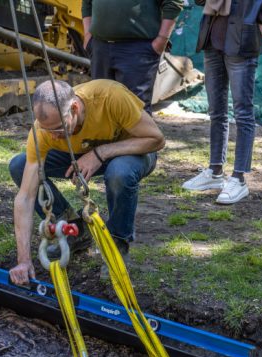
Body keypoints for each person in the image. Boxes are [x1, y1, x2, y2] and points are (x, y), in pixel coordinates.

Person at [9, 79, 165, 285]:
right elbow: (26, 198)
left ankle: (117, 244)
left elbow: (156, 139)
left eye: (59, 129)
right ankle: (75, 229)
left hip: (133, 151)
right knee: (19, 165)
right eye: (48, 131)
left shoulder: (110, 97)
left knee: (119, 173)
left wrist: (100, 153)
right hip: (81, 154)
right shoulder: (43, 131)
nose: (54, 137)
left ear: (74, 108)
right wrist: (23, 260)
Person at [182, 0, 262, 205]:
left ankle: (239, 178)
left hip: (242, 42)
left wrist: (261, 17)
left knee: (243, 113)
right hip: (211, 40)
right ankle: (215, 172)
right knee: (216, 111)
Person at [82, 0, 183, 112]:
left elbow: (173, 3)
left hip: (137, 49)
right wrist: (87, 35)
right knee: (101, 107)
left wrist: (162, 39)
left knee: (135, 110)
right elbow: (87, 2)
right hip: (100, 46)